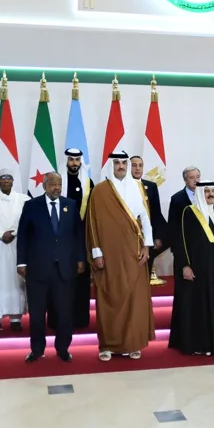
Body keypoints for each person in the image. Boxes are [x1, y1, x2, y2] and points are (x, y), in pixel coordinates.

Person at [86, 152, 155, 361]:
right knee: (109, 298)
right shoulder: (99, 191)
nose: (121, 166)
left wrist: (147, 246)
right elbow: (92, 224)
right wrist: (96, 252)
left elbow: (145, 218)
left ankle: (133, 343)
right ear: (111, 165)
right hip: (108, 254)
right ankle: (107, 346)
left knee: (134, 298)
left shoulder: (138, 187)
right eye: (116, 163)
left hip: (134, 253)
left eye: (124, 163)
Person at [17, 172, 85, 363]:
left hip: (64, 268)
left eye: (59, 184)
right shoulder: (32, 205)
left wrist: (81, 259)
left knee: (64, 312)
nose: (57, 188)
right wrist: (21, 262)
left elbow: (78, 234)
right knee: (37, 314)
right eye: (53, 184)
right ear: (44, 185)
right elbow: (23, 235)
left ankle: (63, 348)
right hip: (37, 269)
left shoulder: (70, 205)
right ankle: (37, 349)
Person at [169, 181, 214, 356]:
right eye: (206, 191)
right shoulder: (190, 212)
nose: (210, 194)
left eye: (213, 191)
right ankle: (203, 345)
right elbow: (182, 241)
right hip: (200, 269)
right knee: (202, 306)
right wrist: (185, 265)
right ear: (200, 193)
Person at [0, 169, 27, 332]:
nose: (6, 181)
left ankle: (16, 318)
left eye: (9, 178)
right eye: (3, 178)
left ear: (13, 181)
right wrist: (2, 233)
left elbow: (26, 219)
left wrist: (13, 233)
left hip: (17, 244)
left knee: (17, 280)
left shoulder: (24, 199)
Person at [62, 148, 93, 329]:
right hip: (60, 240)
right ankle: (60, 321)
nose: (74, 163)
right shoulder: (57, 181)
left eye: (77, 160)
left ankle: (80, 320)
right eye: (71, 160)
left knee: (81, 280)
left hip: (82, 239)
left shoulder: (88, 183)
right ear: (66, 161)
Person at [131, 155, 169, 272]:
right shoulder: (122, 187)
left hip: (147, 236)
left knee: (145, 271)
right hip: (129, 235)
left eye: (140, 165)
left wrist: (157, 236)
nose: (138, 168)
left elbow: (156, 213)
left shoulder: (151, 186)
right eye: (134, 165)